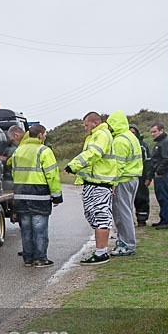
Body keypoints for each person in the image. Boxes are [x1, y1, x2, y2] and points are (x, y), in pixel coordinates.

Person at [65, 112, 118, 265]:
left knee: (101, 217)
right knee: (92, 215)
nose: (85, 128)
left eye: (86, 125)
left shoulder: (101, 135)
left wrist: (74, 165)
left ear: (94, 123)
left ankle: (101, 253)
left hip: (100, 183)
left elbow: (94, 153)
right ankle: (100, 250)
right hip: (92, 183)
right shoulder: (94, 136)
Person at [7, 124, 63, 267]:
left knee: (26, 230)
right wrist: (56, 196)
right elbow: (52, 175)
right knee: (39, 230)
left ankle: (28, 259)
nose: (45, 137)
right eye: (45, 135)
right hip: (39, 196)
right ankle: (40, 259)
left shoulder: (18, 151)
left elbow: (13, 172)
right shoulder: (44, 151)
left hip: (21, 197)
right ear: (40, 135)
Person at [107, 111, 143, 256]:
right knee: (126, 211)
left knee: (122, 213)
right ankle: (124, 242)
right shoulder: (131, 137)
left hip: (123, 180)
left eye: (110, 124)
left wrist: (113, 182)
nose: (109, 128)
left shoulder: (119, 141)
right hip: (133, 178)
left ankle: (126, 244)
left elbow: (118, 165)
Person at [145, 123, 168, 229]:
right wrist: (150, 176)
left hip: (164, 174)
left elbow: (167, 159)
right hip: (159, 174)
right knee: (160, 197)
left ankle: (166, 221)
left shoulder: (166, 142)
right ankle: (163, 219)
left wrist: (159, 171)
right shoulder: (160, 143)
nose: (153, 134)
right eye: (151, 132)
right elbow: (154, 161)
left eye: (155, 132)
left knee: (164, 196)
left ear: (161, 130)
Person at [129, 124, 152, 226]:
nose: (131, 134)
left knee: (142, 198)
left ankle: (142, 219)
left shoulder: (143, 145)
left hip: (141, 176)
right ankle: (129, 221)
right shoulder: (123, 143)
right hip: (128, 176)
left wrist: (148, 177)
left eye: (133, 132)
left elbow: (148, 162)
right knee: (127, 200)